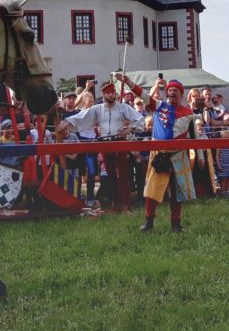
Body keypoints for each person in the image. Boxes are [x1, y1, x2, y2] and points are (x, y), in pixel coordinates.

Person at [56, 81, 143, 211]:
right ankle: (116, 204)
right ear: (103, 95)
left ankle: (126, 204)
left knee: (123, 174)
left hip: (119, 141)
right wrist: (67, 122)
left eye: (112, 92)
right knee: (110, 175)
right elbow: (82, 116)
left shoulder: (123, 107)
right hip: (105, 142)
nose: (111, 95)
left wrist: (130, 128)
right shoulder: (98, 109)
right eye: (108, 93)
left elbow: (140, 119)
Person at [141, 78, 197, 232]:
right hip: (160, 155)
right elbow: (144, 96)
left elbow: (195, 136)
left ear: (181, 94)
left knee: (177, 192)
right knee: (152, 191)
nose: (172, 93)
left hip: (179, 156)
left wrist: (200, 157)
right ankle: (149, 221)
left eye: (175, 91)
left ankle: (176, 223)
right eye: (170, 90)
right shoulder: (159, 106)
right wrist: (128, 82)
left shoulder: (188, 112)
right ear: (167, 93)